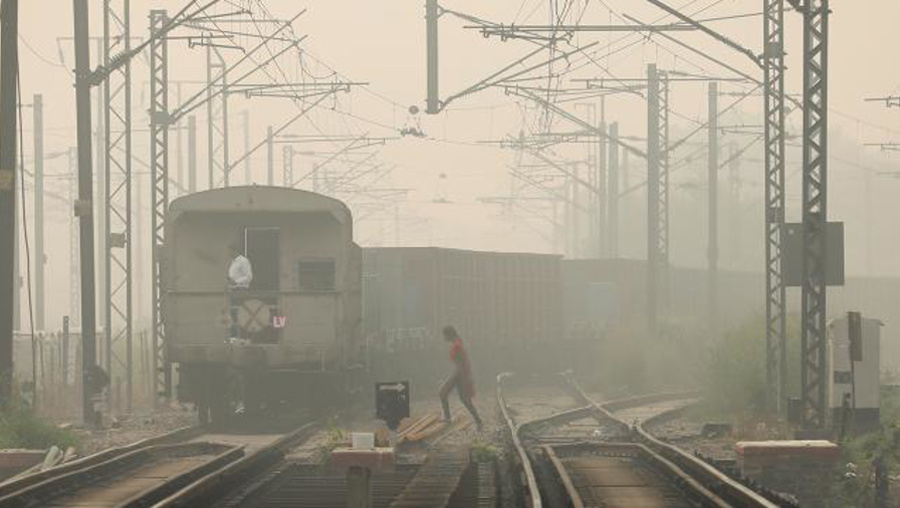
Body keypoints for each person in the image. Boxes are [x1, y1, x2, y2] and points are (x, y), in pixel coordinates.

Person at [439, 325, 484, 431]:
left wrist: (455, 378)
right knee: (464, 400)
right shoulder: (458, 343)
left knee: (443, 393)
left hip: (460, 374)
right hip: (461, 374)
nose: (443, 338)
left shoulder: (457, 345)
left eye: (444, 335)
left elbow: (461, 364)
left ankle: (448, 418)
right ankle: (478, 421)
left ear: (449, 334)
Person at [226, 243, 252, 340]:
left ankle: (243, 338)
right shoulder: (233, 262)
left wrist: (236, 282)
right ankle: (234, 337)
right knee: (233, 313)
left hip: (241, 291)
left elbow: (249, 277)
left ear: (234, 250)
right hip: (233, 291)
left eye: (229, 250)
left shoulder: (243, 261)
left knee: (240, 313)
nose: (228, 253)